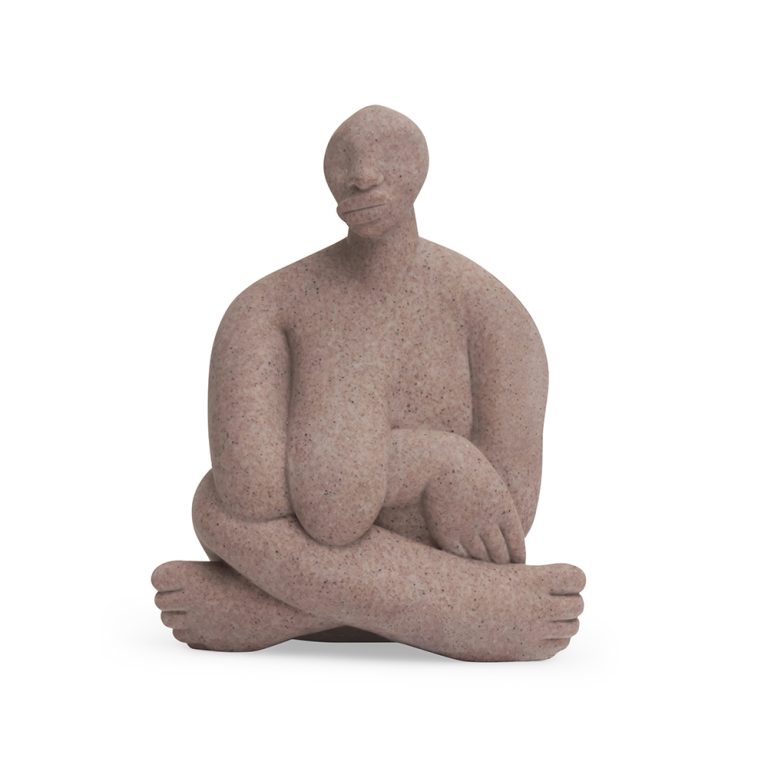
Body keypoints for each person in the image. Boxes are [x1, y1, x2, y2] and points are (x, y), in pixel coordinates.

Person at [151, 105, 585, 661]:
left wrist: (251, 605)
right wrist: (436, 463)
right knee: (217, 505)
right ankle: (475, 612)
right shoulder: (266, 308)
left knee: (219, 516)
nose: (362, 175)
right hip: (381, 554)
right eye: (345, 161)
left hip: (276, 562)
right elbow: (251, 496)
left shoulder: (491, 314)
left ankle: (264, 608)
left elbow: (505, 517)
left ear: (421, 166)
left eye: (387, 156)